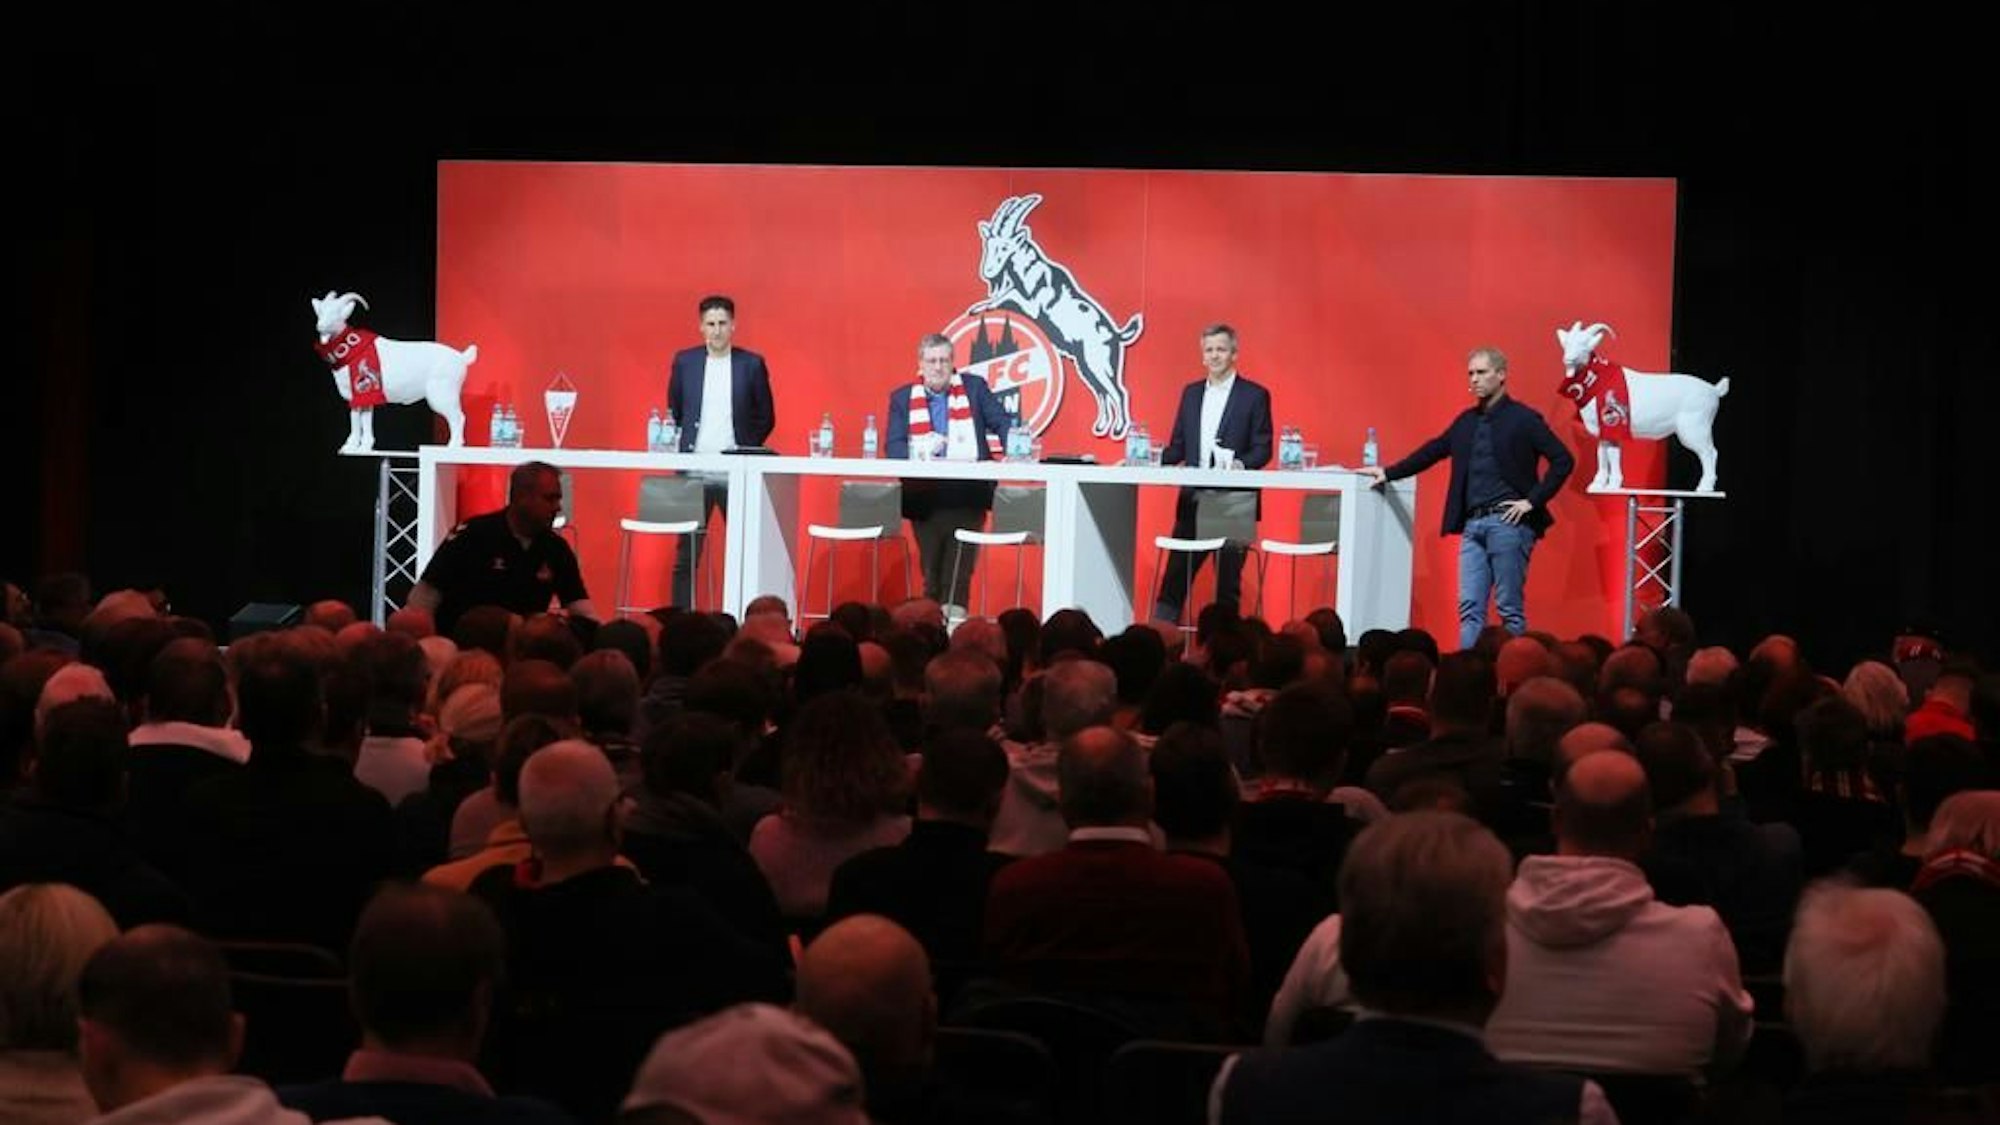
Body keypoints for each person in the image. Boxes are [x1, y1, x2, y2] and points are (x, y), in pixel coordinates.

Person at [1360, 347, 1573, 650]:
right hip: (1474, 525)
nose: (1474, 379)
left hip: (1508, 524)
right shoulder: (1466, 422)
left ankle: (1513, 677)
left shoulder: (1524, 419)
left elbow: (1563, 460)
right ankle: (1467, 678)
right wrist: (1389, 472)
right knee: (1470, 609)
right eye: (1471, 373)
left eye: (1481, 372)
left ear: (1501, 375)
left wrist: (1531, 501)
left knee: (1509, 608)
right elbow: (1433, 451)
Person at [1153, 324, 1273, 624]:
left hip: (1234, 503)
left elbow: (1263, 447)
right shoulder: (1191, 394)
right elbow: (1178, 447)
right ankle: (1159, 640)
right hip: (1193, 498)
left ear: (1234, 354)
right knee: (1174, 580)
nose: (1215, 355)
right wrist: (1147, 459)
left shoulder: (1255, 395)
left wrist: (1240, 466)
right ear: (1202, 356)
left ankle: (1227, 654)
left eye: (1221, 349)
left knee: (1227, 587)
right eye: (1209, 350)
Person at [885, 334, 1012, 616]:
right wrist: (920, 450)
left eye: (944, 360)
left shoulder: (974, 389)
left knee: (958, 575)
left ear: (953, 363)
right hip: (925, 500)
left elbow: (1002, 423)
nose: (938, 367)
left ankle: (954, 632)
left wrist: (1017, 446)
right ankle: (930, 630)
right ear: (920, 364)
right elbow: (893, 447)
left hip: (967, 497)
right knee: (932, 575)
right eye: (932, 361)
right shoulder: (902, 398)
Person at [665, 295, 777, 607]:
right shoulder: (685, 362)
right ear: (701, 327)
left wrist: (744, 449)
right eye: (710, 324)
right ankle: (680, 618)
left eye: (722, 324)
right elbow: (675, 407)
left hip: (737, 473)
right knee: (686, 555)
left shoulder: (751, 364)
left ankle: (742, 614)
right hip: (693, 473)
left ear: (733, 326)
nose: (716, 331)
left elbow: (766, 415)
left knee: (744, 553)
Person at [409, 462, 595, 634]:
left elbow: (580, 607)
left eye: (558, 499)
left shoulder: (556, 548)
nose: (557, 507)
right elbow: (425, 595)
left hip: (522, 653)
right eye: (549, 499)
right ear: (521, 497)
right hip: (463, 648)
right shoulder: (472, 535)